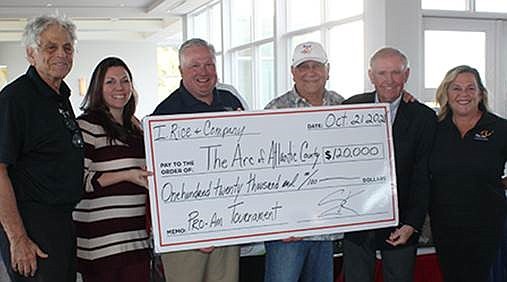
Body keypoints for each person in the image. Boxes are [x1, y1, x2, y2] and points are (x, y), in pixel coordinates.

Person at [152, 38, 246, 282]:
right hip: (186, 233)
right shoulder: (165, 113)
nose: (203, 72)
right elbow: (164, 184)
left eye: (209, 64)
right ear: (181, 70)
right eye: (195, 66)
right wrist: (193, 231)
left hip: (228, 221)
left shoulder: (231, 102)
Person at [342, 47, 437, 282]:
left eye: (396, 72)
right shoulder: (349, 107)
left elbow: (423, 175)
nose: (389, 80)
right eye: (382, 73)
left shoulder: (424, 117)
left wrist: (412, 224)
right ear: (371, 76)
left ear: (407, 75)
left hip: (401, 224)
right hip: (356, 221)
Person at [0, 15, 84, 282]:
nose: (61, 54)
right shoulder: (16, 99)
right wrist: (18, 238)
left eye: (67, 47)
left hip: (61, 224)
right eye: (51, 47)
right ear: (30, 54)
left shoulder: (61, 97)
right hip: (32, 226)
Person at [263, 41, 344, 282]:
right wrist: (279, 222)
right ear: (293, 72)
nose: (310, 72)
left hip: (327, 227)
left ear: (327, 70)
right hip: (287, 232)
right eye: (303, 66)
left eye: (316, 66)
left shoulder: (344, 106)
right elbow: (262, 172)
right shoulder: (273, 110)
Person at [72, 57, 152, 282]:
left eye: (125, 81)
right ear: (98, 87)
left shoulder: (137, 129)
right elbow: (78, 181)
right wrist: (127, 175)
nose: (120, 87)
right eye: (111, 82)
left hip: (136, 243)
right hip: (99, 247)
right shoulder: (86, 126)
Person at [429, 65, 507, 282]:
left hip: (486, 223)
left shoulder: (499, 128)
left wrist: (501, 184)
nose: (463, 94)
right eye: (456, 88)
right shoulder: (434, 127)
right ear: (446, 92)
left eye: (470, 88)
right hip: (444, 223)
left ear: (480, 93)